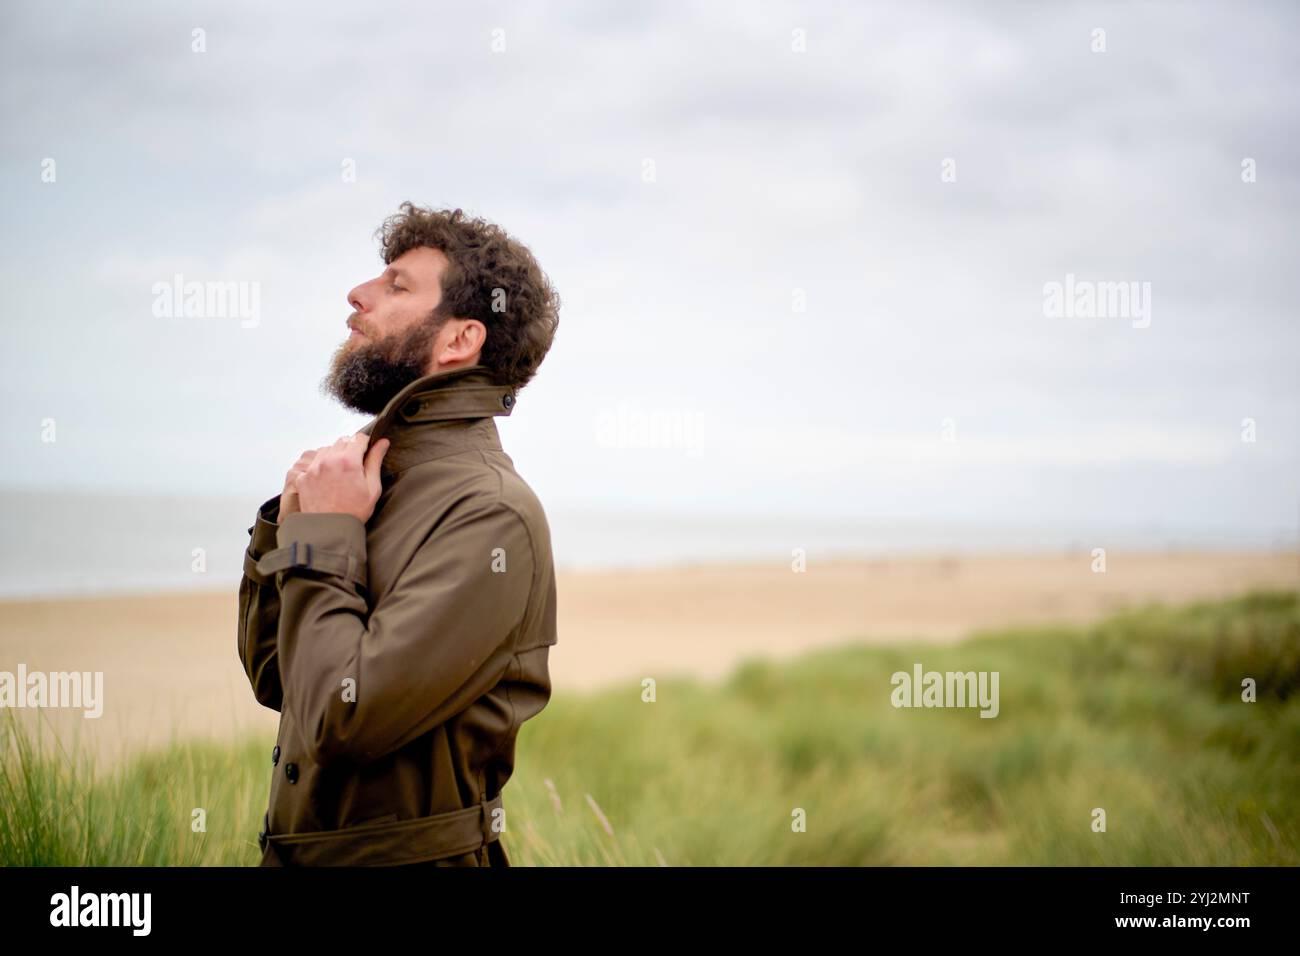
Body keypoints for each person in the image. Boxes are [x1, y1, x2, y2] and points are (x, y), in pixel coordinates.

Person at [237, 202, 560, 866]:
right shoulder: (374, 477)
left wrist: (325, 535)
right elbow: (280, 683)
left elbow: (341, 717)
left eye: (396, 286)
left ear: (457, 340)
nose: (357, 296)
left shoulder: (490, 512)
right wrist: (290, 525)